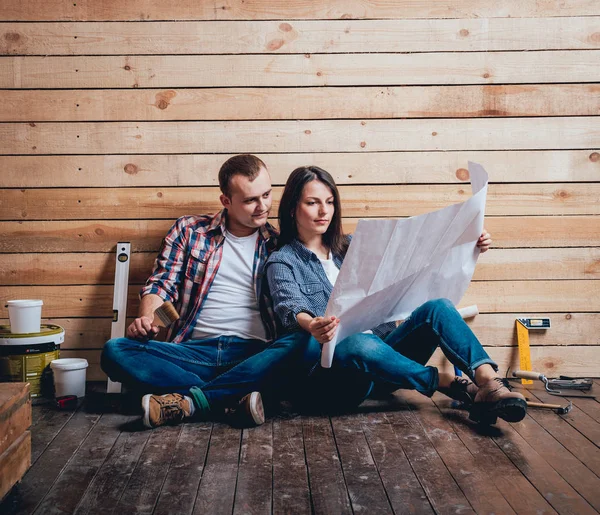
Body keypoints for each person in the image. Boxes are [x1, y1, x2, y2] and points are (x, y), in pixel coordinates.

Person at [264, 165, 527, 425]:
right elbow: (290, 307)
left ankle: (488, 383)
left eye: (330, 202)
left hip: (387, 362)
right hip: (335, 378)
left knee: (438, 307)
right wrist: (312, 324)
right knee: (356, 342)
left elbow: (419, 259)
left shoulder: (354, 247)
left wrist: (469, 244)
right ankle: (444, 382)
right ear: (291, 208)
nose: (324, 211)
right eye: (312, 202)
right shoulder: (283, 261)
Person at [101, 155, 309, 429]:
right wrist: (148, 321)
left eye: (267, 195)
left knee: (302, 343)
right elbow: (162, 284)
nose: (263, 207)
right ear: (226, 201)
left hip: (254, 355)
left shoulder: (280, 244)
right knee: (115, 351)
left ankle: (189, 402)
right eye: (250, 200)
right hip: (192, 354)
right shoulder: (189, 231)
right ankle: (230, 399)